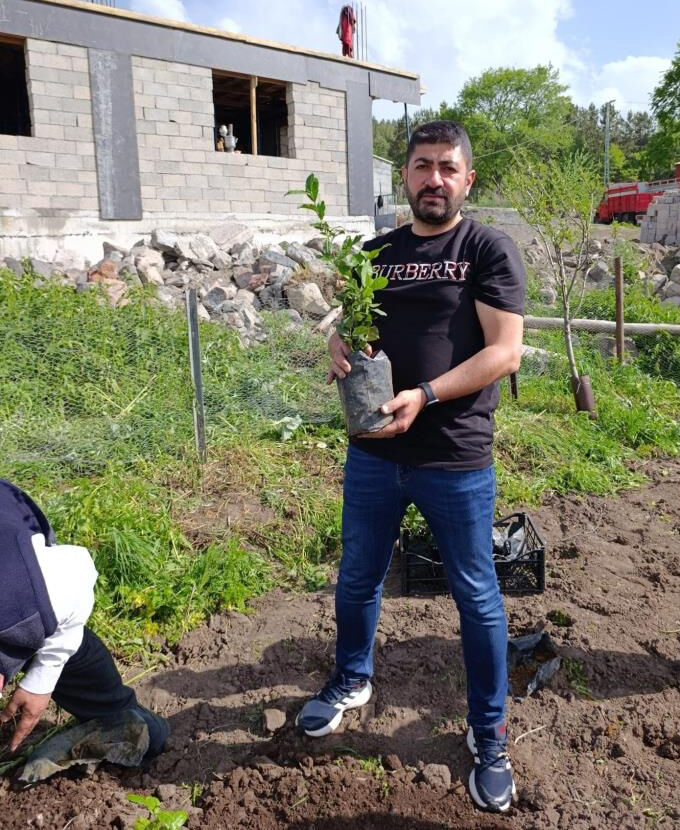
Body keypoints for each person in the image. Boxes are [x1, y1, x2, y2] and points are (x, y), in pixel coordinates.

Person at [296, 121, 525, 813]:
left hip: (452, 455)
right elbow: (355, 328)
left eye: (447, 168)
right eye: (421, 166)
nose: (433, 179)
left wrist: (424, 396)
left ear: (467, 179)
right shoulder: (376, 251)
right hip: (372, 450)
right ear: (405, 176)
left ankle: (489, 733)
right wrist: (336, 343)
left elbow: (504, 352)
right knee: (358, 576)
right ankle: (352, 678)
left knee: (475, 596)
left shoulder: (484, 248)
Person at [0, 479, 169, 759]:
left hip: (20, 557)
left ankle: (133, 726)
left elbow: (76, 575)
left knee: (49, 631)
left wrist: (41, 680)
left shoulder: (21, 592)